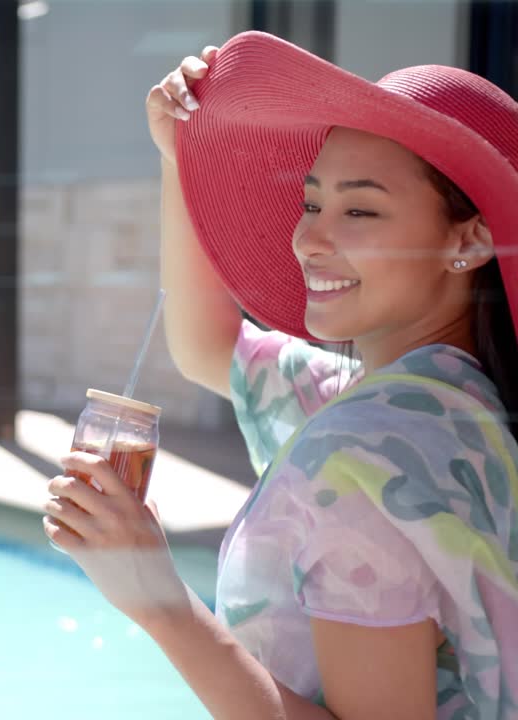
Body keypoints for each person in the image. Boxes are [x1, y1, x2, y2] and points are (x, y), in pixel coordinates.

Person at [42, 31, 518, 720]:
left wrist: (157, 599)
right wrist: (184, 159)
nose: (308, 239)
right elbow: (210, 349)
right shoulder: (459, 408)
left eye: (359, 209)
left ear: (469, 239)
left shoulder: (358, 452)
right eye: (311, 202)